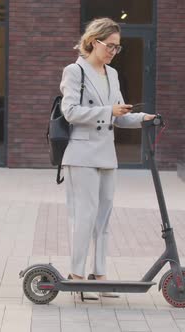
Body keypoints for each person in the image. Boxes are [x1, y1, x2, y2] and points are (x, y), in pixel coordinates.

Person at [60, 17, 156, 300]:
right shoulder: (74, 70)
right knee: (84, 217)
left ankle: (99, 275)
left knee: (103, 218)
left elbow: (119, 117)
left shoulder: (112, 75)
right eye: (110, 46)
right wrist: (107, 111)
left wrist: (142, 119)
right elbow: (71, 112)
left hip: (106, 155)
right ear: (93, 41)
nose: (114, 51)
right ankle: (77, 276)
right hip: (81, 154)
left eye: (118, 47)